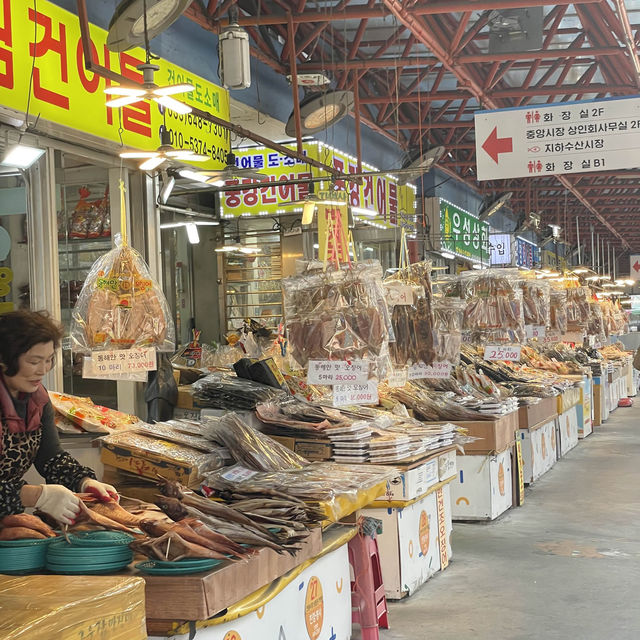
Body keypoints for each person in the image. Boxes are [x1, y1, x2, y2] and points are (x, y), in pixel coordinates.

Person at [0, 310, 118, 525]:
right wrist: (38, 495)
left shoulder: (37, 399)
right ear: (5, 360)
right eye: (34, 361)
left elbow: (50, 457)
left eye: (49, 360)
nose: (43, 370)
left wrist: (82, 481)